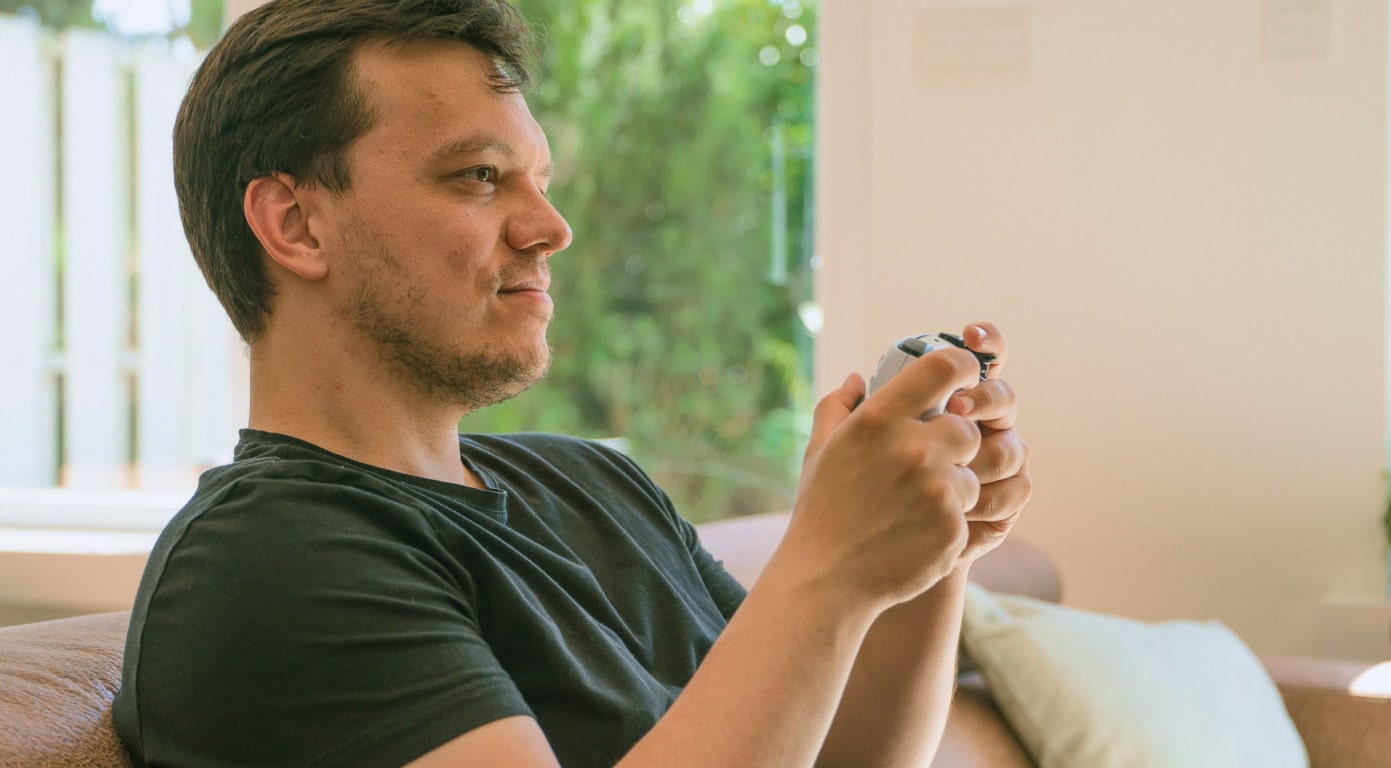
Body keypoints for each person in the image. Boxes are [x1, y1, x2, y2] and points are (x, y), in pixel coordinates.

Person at [113, 0, 1032, 765]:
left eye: (540, 180)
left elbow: (838, 758)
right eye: (479, 177)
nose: (551, 227)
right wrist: (827, 566)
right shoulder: (265, 559)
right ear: (296, 226)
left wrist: (923, 550)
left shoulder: (598, 484)